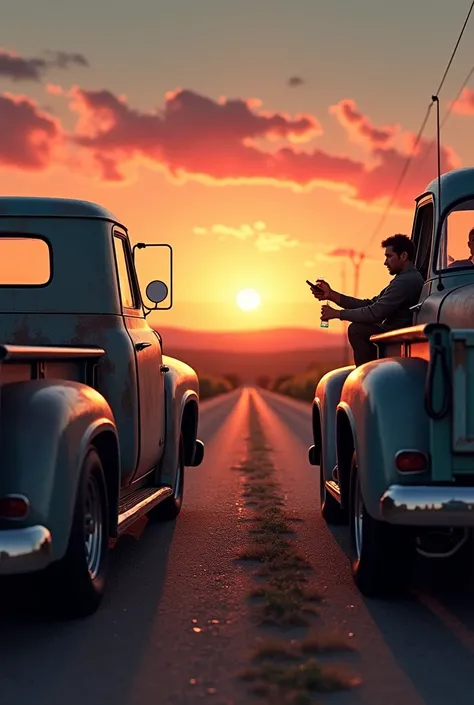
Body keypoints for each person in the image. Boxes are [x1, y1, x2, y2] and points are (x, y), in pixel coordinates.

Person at [310, 234, 424, 366]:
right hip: (390, 335)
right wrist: (332, 295)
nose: (385, 262)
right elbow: (370, 304)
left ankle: (367, 376)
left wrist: (337, 314)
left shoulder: (405, 281)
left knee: (356, 330)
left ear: (403, 256)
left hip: (395, 339)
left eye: (389, 256)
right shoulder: (404, 279)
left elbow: (374, 313)